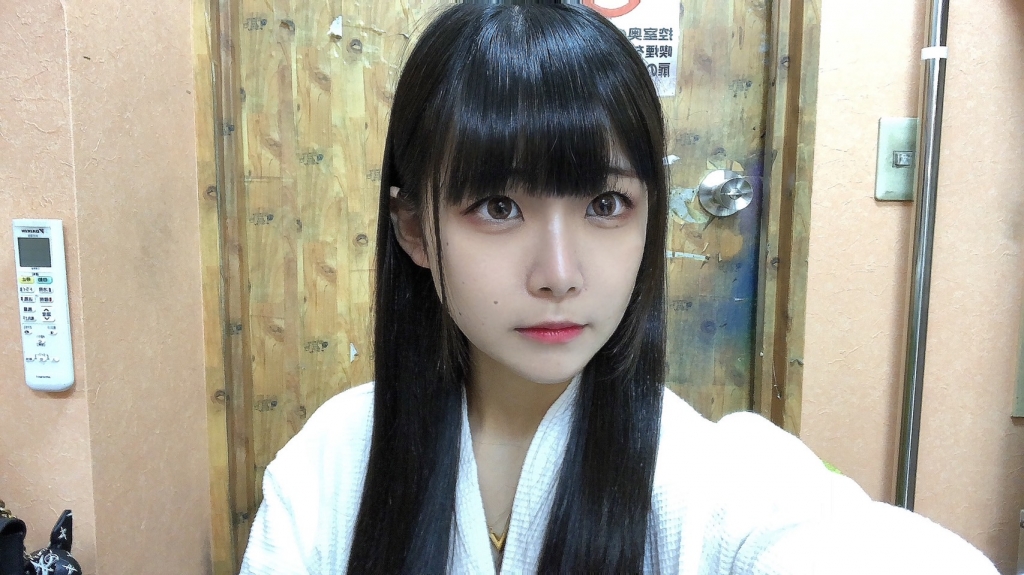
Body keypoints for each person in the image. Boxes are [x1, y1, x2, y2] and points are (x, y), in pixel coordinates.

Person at [239, 3, 998, 574]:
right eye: (498, 207)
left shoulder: (710, 479)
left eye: (606, 204)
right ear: (413, 227)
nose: (559, 273)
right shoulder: (328, 469)